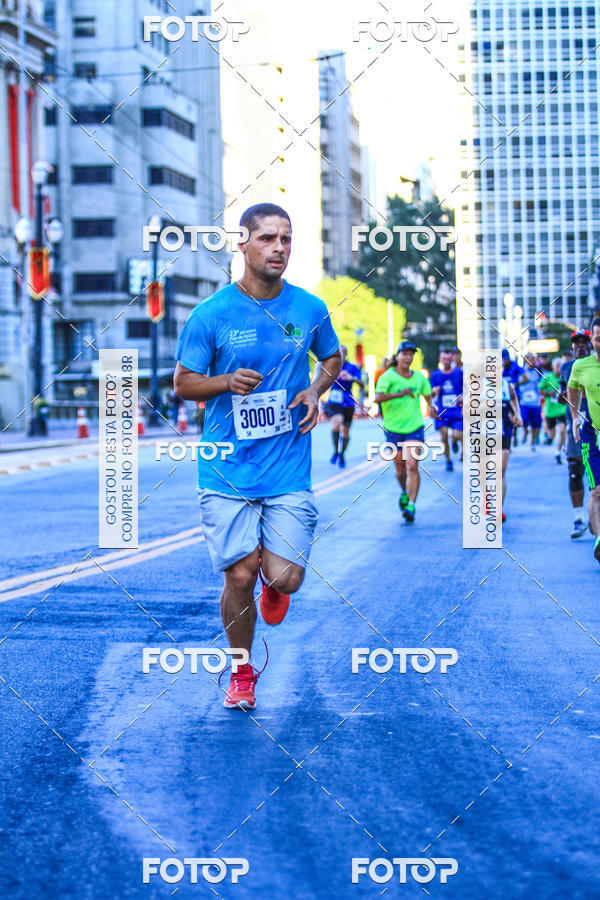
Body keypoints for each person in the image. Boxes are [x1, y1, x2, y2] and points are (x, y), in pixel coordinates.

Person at [173, 202, 342, 709]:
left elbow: (332, 357)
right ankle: (242, 672)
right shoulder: (212, 315)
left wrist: (315, 390)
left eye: (286, 239)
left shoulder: (309, 309)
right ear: (241, 244)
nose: (279, 248)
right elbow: (183, 383)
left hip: (288, 466)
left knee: (285, 575)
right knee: (239, 573)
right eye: (268, 238)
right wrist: (224, 381)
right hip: (227, 467)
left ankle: (278, 585)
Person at [374, 340, 436, 523]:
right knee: (400, 470)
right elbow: (377, 398)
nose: (408, 357)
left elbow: (427, 395)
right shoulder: (388, 376)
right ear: (398, 356)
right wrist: (399, 394)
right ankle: (404, 492)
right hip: (393, 428)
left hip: (414, 427)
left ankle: (411, 504)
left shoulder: (419, 378)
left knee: (412, 465)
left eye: (411, 354)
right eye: (405, 353)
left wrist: (432, 407)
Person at [568, 317, 600, 566]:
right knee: (597, 491)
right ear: (593, 340)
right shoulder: (580, 366)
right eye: (598, 338)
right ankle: (599, 538)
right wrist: (575, 416)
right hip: (592, 434)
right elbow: (572, 389)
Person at [560, 329, 592, 538]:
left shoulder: (595, 365)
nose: (580, 346)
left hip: (594, 422)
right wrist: (563, 396)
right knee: (574, 469)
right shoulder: (565, 368)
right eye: (576, 343)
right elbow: (562, 393)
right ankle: (578, 518)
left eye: (584, 342)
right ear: (572, 346)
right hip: (574, 424)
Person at [326, 345, 363, 468]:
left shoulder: (352, 368)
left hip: (348, 401)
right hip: (335, 400)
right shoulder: (331, 365)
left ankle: (342, 454)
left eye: (343, 352)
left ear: (346, 354)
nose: (340, 354)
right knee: (337, 423)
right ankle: (336, 451)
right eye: (338, 352)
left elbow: (363, 384)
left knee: (346, 431)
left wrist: (352, 378)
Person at [430, 347, 463, 471]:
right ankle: (448, 461)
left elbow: (468, 389)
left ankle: (454, 440)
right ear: (440, 359)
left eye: (449, 359)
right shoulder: (435, 375)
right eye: (444, 359)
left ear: (452, 359)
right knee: (443, 435)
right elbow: (429, 394)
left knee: (458, 434)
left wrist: (463, 398)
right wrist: (433, 392)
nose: (446, 361)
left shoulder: (459, 373)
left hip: (456, 410)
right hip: (442, 411)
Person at [501, 363, 522, 523]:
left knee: (500, 471)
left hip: (504, 430)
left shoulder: (506, 385)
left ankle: (498, 509)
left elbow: (514, 400)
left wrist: (517, 415)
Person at [540, 357, 567, 463]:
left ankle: (558, 452)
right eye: (557, 366)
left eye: (561, 365)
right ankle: (549, 437)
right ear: (553, 367)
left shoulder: (564, 377)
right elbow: (540, 390)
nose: (559, 368)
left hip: (561, 409)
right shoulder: (547, 377)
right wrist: (549, 393)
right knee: (553, 433)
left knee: (562, 430)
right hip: (550, 410)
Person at [518, 353, 543, 450]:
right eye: (531, 359)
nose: (534, 361)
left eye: (534, 359)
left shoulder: (538, 371)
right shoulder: (521, 371)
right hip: (524, 402)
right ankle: (525, 431)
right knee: (524, 420)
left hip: (535, 402)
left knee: (535, 423)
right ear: (526, 360)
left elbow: (542, 383)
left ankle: (532, 442)